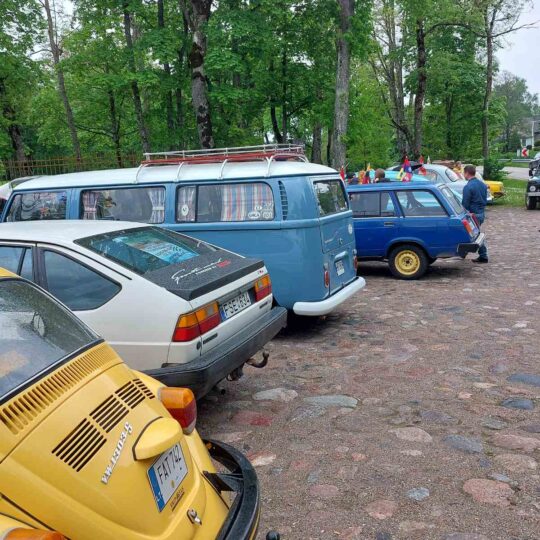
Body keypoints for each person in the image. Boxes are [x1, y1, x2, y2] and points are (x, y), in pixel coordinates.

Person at [462, 164, 488, 263]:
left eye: (464, 173)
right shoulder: (482, 185)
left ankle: (483, 255)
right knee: (473, 234)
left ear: (467, 173)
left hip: (473, 215)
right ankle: (463, 253)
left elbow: (465, 204)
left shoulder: (468, 187)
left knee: (475, 235)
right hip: (481, 212)